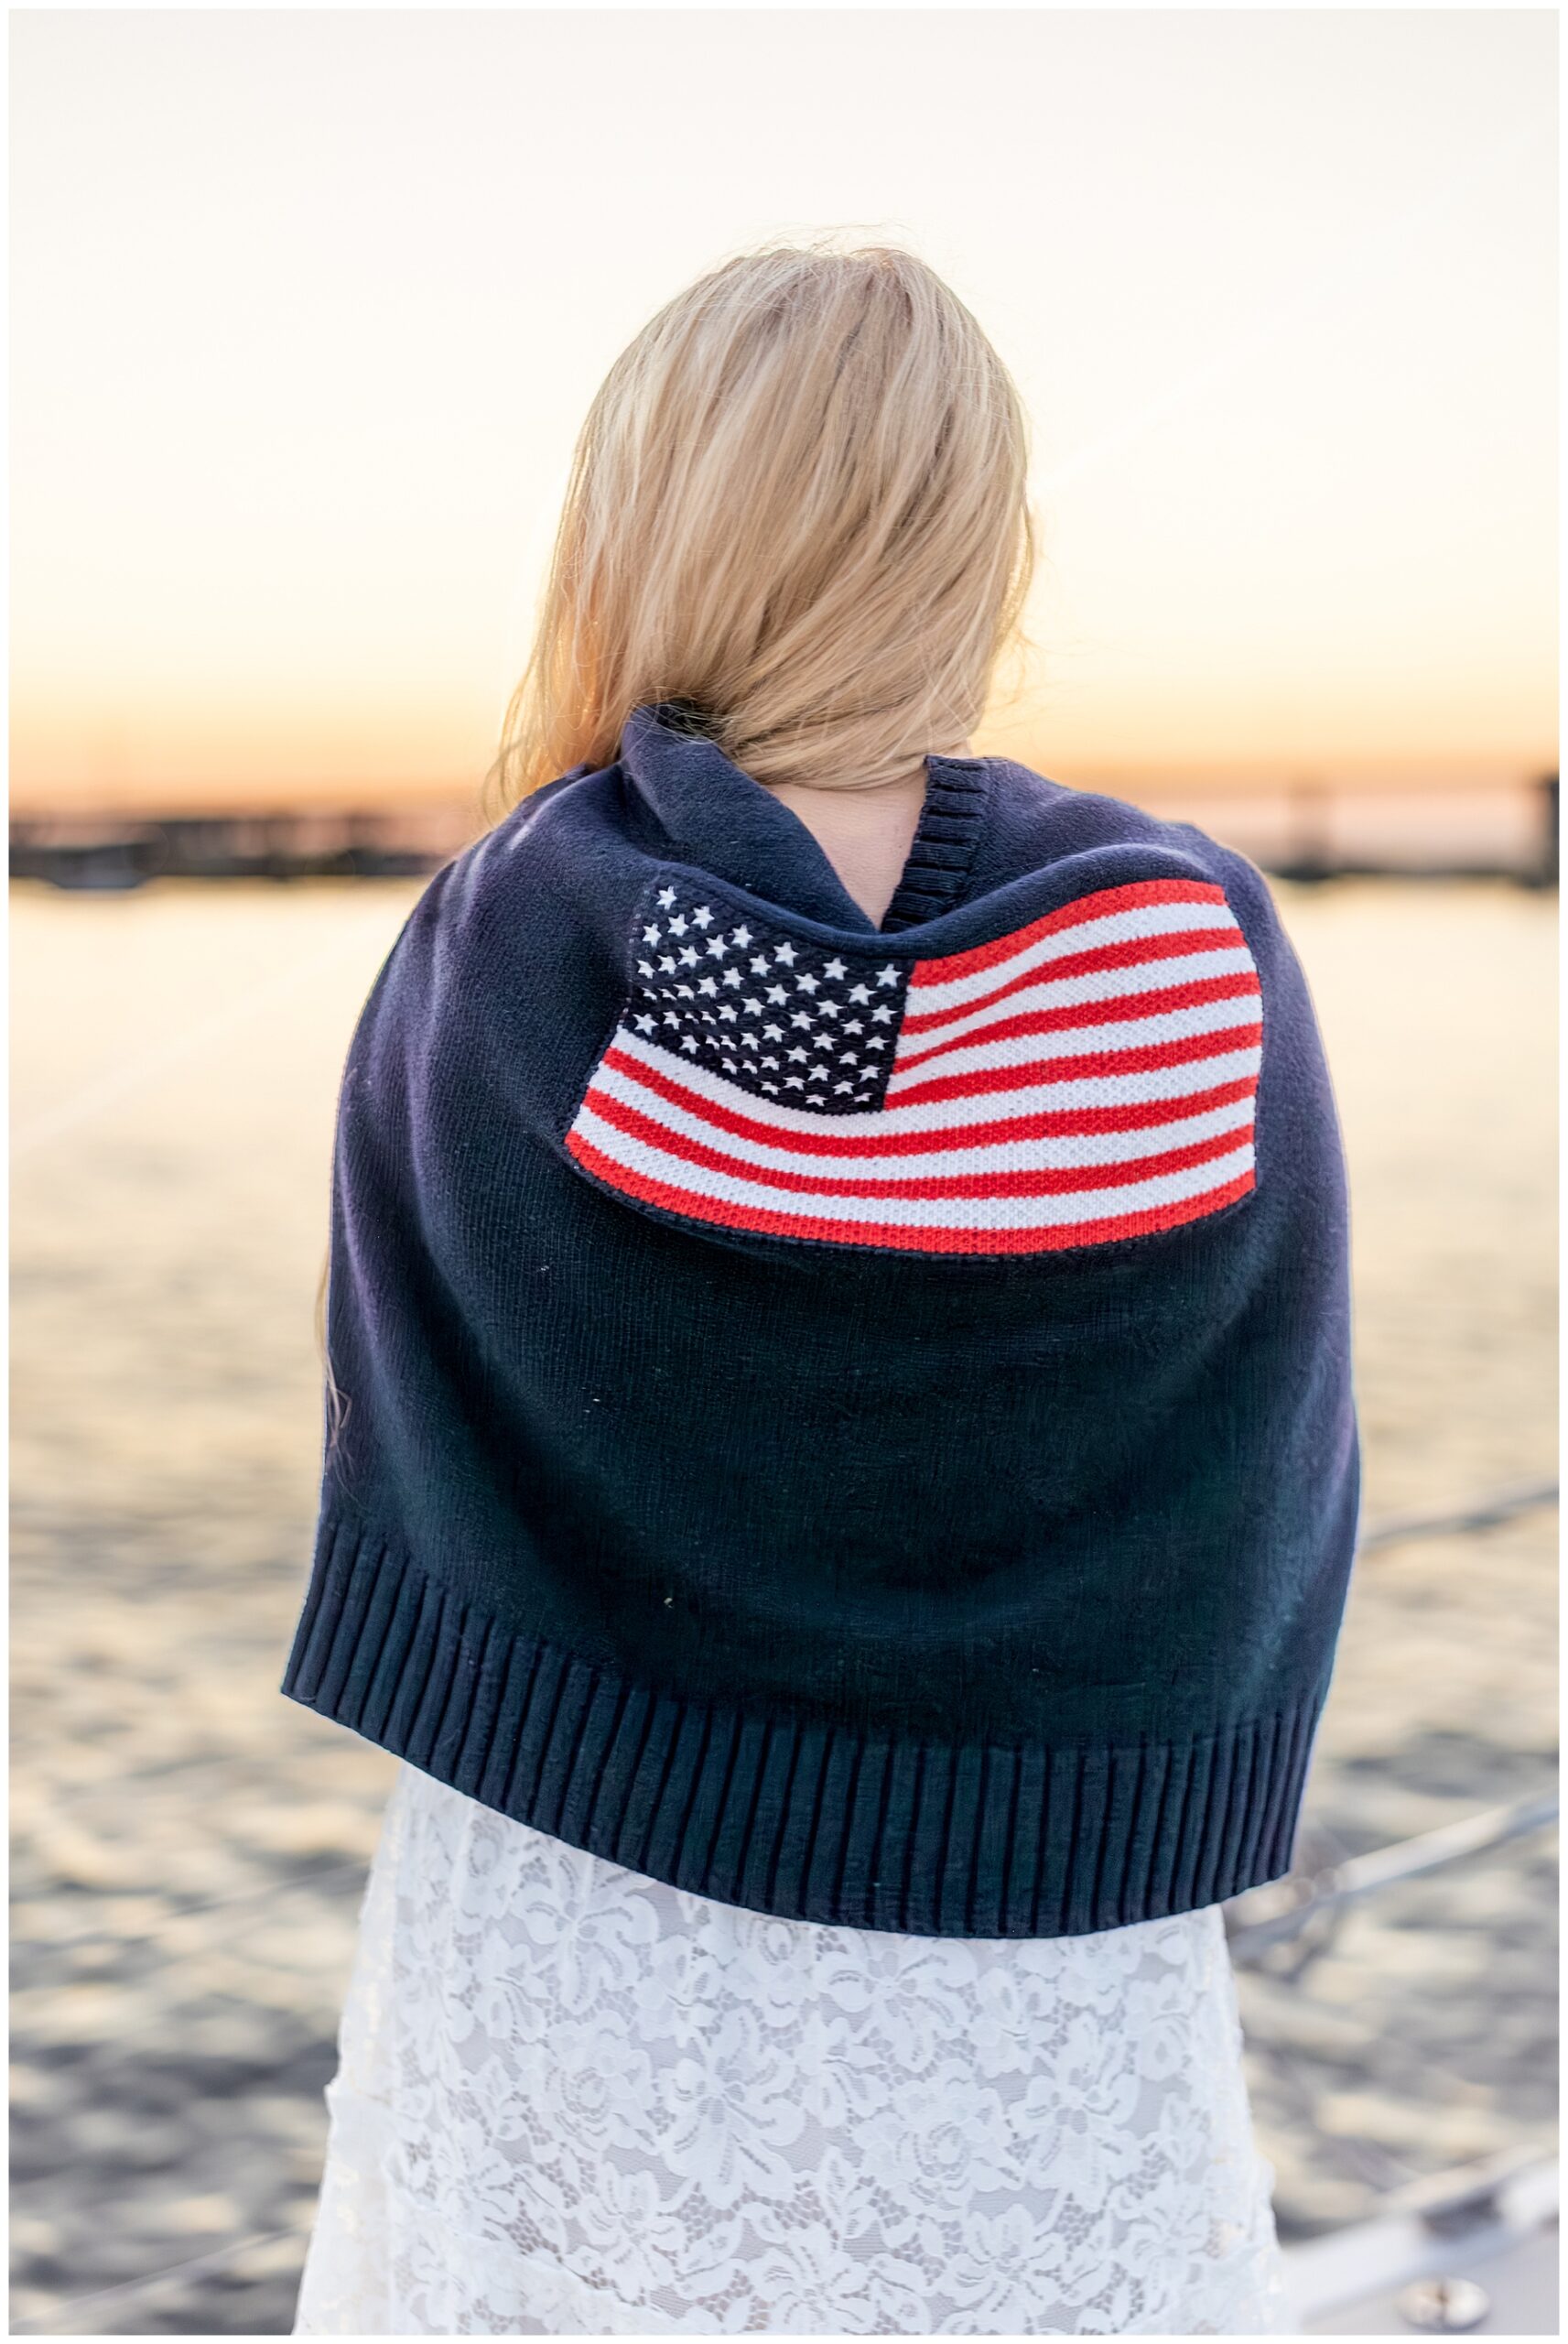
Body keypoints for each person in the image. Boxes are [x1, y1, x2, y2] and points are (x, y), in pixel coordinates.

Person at [284, 240, 1360, 2335]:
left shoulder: (513, 934)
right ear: (973, 539)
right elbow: (1268, 1457)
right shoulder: (1190, 955)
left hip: (569, 1920)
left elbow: (403, 1391)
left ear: (647, 522)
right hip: (1046, 1964)